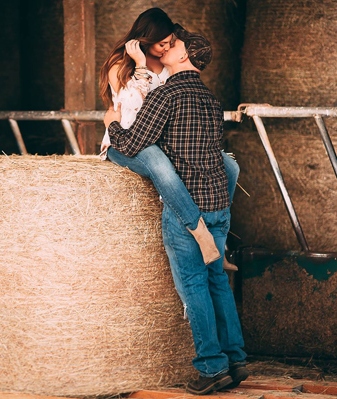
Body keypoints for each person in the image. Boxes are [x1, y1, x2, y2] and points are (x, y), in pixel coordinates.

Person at [103, 24, 248, 395]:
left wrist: (112, 124)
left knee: (194, 285)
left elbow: (135, 143)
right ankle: (236, 359)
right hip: (218, 204)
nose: (167, 45)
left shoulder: (166, 95)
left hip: (189, 210)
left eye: (174, 43)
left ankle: (212, 368)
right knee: (216, 280)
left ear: (183, 55)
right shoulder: (212, 101)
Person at [98, 8, 239, 269]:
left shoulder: (165, 64)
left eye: (169, 43)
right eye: (161, 43)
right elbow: (134, 109)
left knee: (230, 165)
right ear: (144, 39)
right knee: (161, 165)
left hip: (154, 140)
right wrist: (139, 64)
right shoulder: (119, 66)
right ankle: (200, 234)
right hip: (123, 141)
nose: (165, 48)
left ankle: (221, 240)